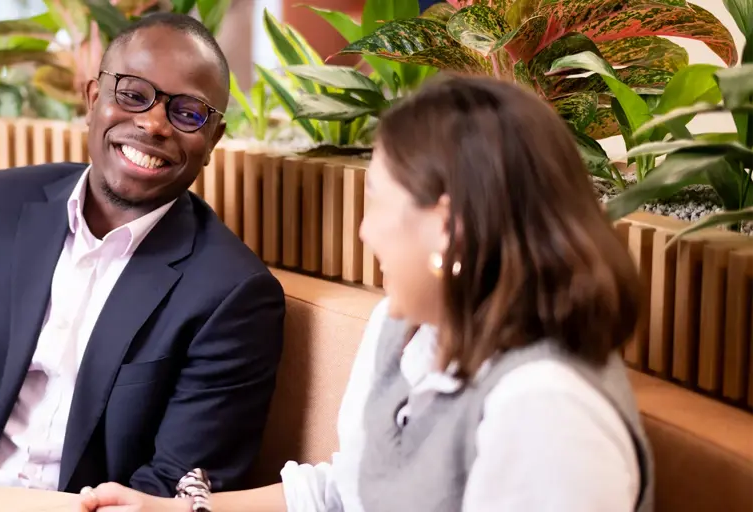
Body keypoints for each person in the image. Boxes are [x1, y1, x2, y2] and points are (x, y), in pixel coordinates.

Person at [77, 74, 654, 511]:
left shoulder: (547, 410)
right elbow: (346, 492)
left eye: (376, 201)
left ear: (447, 225)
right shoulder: (402, 329)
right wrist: (179, 510)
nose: (364, 231)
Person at [0, 13, 287, 497]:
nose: (152, 123)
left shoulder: (232, 294)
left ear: (212, 140)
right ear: (92, 99)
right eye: (133, 94)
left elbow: (175, 482)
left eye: (187, 113)